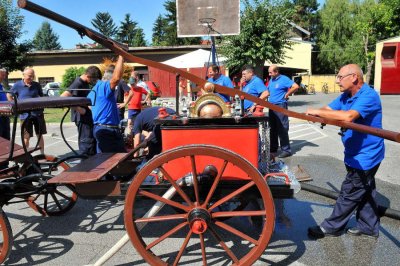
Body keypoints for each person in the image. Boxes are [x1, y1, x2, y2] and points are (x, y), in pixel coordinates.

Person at [306, 64, 384, 239]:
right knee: (365, 189)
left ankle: (331, 227)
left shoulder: (369, 96)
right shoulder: (346, 96)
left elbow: (348, 116)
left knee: (349, 191)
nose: (337, 81)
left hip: (366, 156)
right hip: (354, 153)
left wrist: (315, 112)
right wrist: (317, 114)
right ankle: (369, 226)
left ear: (354, 77)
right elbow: (328, 110)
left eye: (340, 77)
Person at [87, 55, 126, 153]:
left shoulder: (93, 91)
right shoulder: (103, 86)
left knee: (122, 160)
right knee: (107, 162)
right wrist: (121, 56)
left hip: (105, 129)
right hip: (106, 131)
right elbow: (116, 78)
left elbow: (89, 105)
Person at [61, 66, 101, 156]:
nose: (94, 82)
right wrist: (80, 109)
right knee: (86, 145)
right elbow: (63, 97)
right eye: (94, 80)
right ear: (88, 76)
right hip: (82, 119)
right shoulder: (78, 83)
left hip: (86, 118)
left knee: (91, 143)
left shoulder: (84, 83)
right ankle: (86, 166)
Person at [262, 65, 299, 158]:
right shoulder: (271, 80)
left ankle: (286, 150)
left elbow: (295, 86)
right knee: (272, 129)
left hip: (280, 106)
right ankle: (273, 149)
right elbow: (268, 92)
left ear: (276, 71)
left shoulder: (284, 79)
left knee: (282, 128)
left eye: (271, 72)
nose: (269, 74)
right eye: (269, 72)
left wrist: (287, 94)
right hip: (271, 106)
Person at [8, 68, 46, 154]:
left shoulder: (37, 85)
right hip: (24, 115)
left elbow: (42, 97)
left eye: (33, 76)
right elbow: (9, 95)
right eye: (30, 76)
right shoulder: (17, 85)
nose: (32, 78)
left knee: (40, 135)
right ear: (24, 75)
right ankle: (25, 156)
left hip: (38, 113)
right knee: (26, 137)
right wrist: (14, 106)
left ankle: (42, 154)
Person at [0, 68, 10, 141]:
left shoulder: (2, 85)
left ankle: (8, 152)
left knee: (6, 138)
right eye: (2, 75)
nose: (4, 77)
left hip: (5, 113)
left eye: (4, 75)